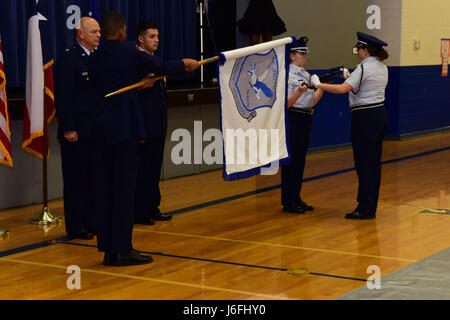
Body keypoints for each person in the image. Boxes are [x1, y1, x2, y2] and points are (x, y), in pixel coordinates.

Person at [89, 11, 200, 266]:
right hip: (125, 130)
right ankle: (122, 249)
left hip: (100, 129)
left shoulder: (95, 57)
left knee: (106, 189)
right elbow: (160, 66)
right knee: (124, 190)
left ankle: (109, 248)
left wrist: (136, 84)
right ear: (122, 31)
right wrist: (185, 64)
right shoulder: (129, 50)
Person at [310, 32, 389, 220]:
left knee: (363, 164)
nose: (357, 53)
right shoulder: (381, 67)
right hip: (379, 114)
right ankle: (370, 205)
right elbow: (363, 87)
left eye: (358, 49)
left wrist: (319, 84)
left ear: (364, 50)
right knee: (373, 163)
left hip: (364, 117)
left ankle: (365, 208)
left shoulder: (363, 68)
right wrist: (350, 76)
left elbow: (342, 89)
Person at [133, 21, 186, 225]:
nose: (156, 40)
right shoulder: (138, 60)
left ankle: (152, 207)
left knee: (154, 170)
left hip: (157, 124)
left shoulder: (154, 59)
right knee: (143, 170)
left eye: (157, 36)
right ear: (141, 38)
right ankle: (140, 211)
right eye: (151, 37)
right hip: (143, 125)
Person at [54, 16, 101, 239]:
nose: (99, 35)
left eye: (100, 31)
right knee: (76, 180)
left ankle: (91, 221)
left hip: (95, 130)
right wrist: (68, 128)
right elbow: (64, 97)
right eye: (94, 32)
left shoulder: (97, 58)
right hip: (76, 130)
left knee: (93, 178)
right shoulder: (69, 59)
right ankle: (76, 225)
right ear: (81, 34)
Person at [281, 36, 324, 214]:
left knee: (300, 160)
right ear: (291, 55)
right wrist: (300, 91)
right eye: (301, 53)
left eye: (305, 53)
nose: (304, 56)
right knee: (292, 161)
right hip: (293, 117)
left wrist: (321, 86)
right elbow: (286, 104)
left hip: (306, 117)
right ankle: (289, 200)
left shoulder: (305, 74)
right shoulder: (287, 75)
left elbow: (312, 102)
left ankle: (296, 197)